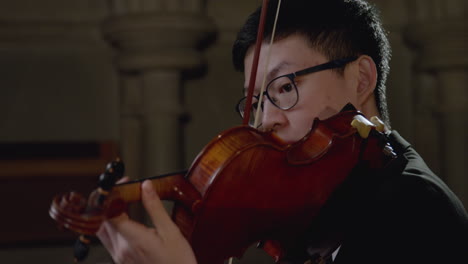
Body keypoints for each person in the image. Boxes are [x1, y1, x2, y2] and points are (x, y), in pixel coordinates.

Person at [97, 0, 468, 263]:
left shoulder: (414, 207)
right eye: (255, 101)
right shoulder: (318, 215)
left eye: (285, 87)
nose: (264, 120)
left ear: (361, 79)